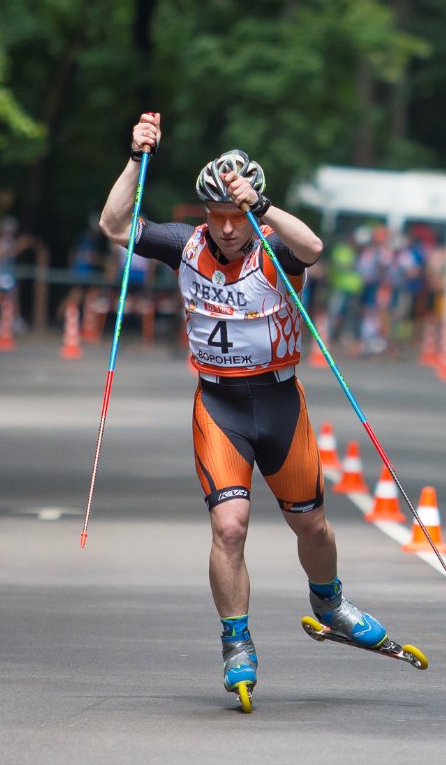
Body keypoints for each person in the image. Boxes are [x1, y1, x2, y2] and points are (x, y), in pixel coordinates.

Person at [99, 113, 397, 707]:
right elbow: (113, 225)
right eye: (219, 217)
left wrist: (261, 206)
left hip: (282, 402)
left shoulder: (274, 247)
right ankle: (236, 640)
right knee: (229, 526)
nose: (229, 229)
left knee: (310, 524)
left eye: (237, 218)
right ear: (205, 214)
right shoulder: (183, 246)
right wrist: (136, 157)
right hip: (220, 406)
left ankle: (329, 604)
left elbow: (313, 248)